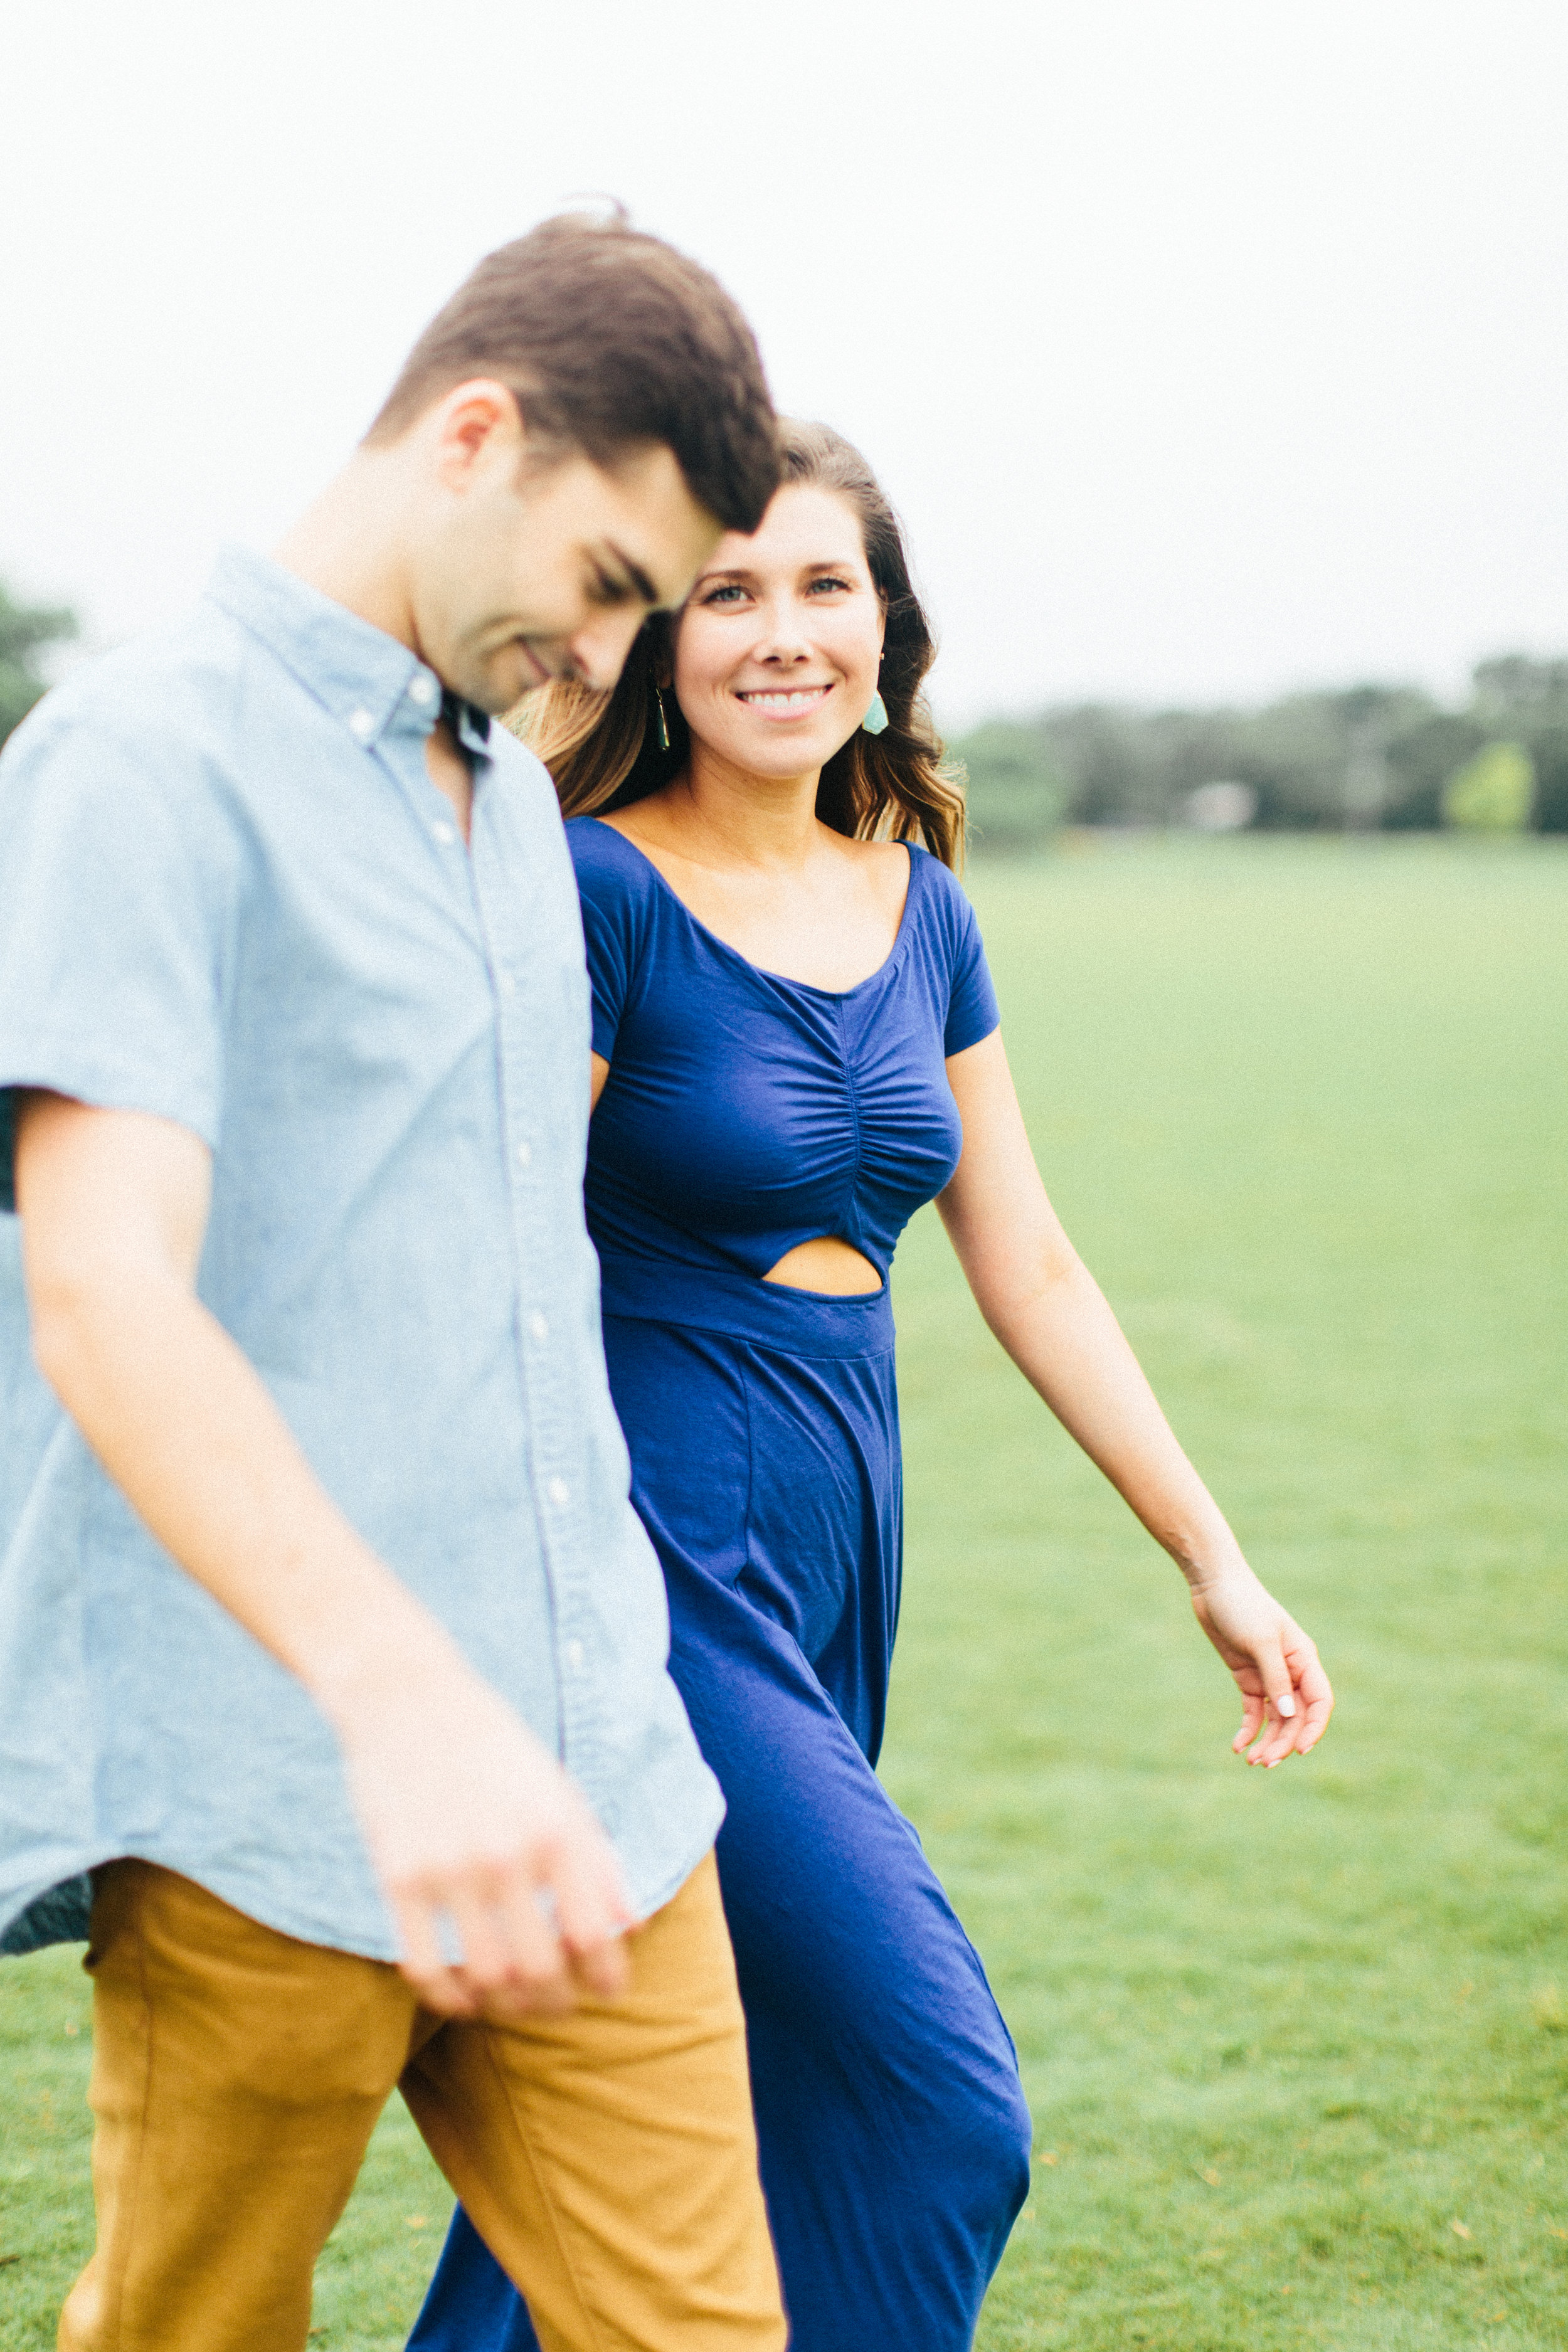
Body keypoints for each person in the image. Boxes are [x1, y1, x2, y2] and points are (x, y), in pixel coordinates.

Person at [410, 421, 1337, 2352]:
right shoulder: (593, 893)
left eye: (823, 586)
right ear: (660, 641)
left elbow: (1032, 1263)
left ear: (886, 630)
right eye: (726, 593)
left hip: (839, 1542)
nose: (779, 634)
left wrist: (1213, 1559)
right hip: (655, 1563)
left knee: (673, 2089)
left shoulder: (921, 901)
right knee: (931, 2109)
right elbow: (486, 1256)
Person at [0, 215, 792, 2352]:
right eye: (615, 585)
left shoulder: (515, 806)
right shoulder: (134, 762)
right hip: (267, 1794)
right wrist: (400, 1694)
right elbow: (103, 1292)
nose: (613, 658)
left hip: (598, 1786)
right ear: (475, 438)